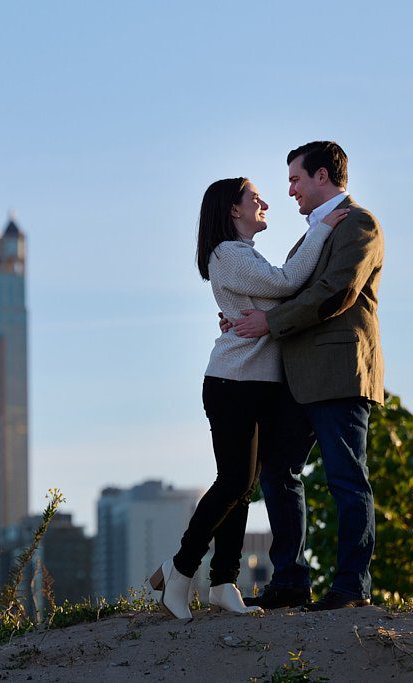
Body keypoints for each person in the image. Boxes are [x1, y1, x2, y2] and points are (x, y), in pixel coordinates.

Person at [148, 176, 349, 620]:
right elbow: (289, 282)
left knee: (242, 488)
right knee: (234, 482)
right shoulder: (228, 253)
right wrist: (323, 229)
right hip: (232, 383)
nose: (265, 203)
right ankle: (179, 569)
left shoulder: (244, 256)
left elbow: (277, 303)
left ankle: (223, 583)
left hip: (258, 386)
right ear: (233, 210)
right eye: (254, 197)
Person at [226, 141, 384, 612]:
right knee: (276, 471)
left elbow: (336, 291)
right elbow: (289, 290)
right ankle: (291, 581)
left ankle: (352, 587)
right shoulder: (313, 232)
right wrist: (246, 315)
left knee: (346, 479)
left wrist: (269, 323)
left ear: (322, 176)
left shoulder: (360, 223)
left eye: (295, 179)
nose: (290, 190)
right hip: (296, 378)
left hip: (339, 373)